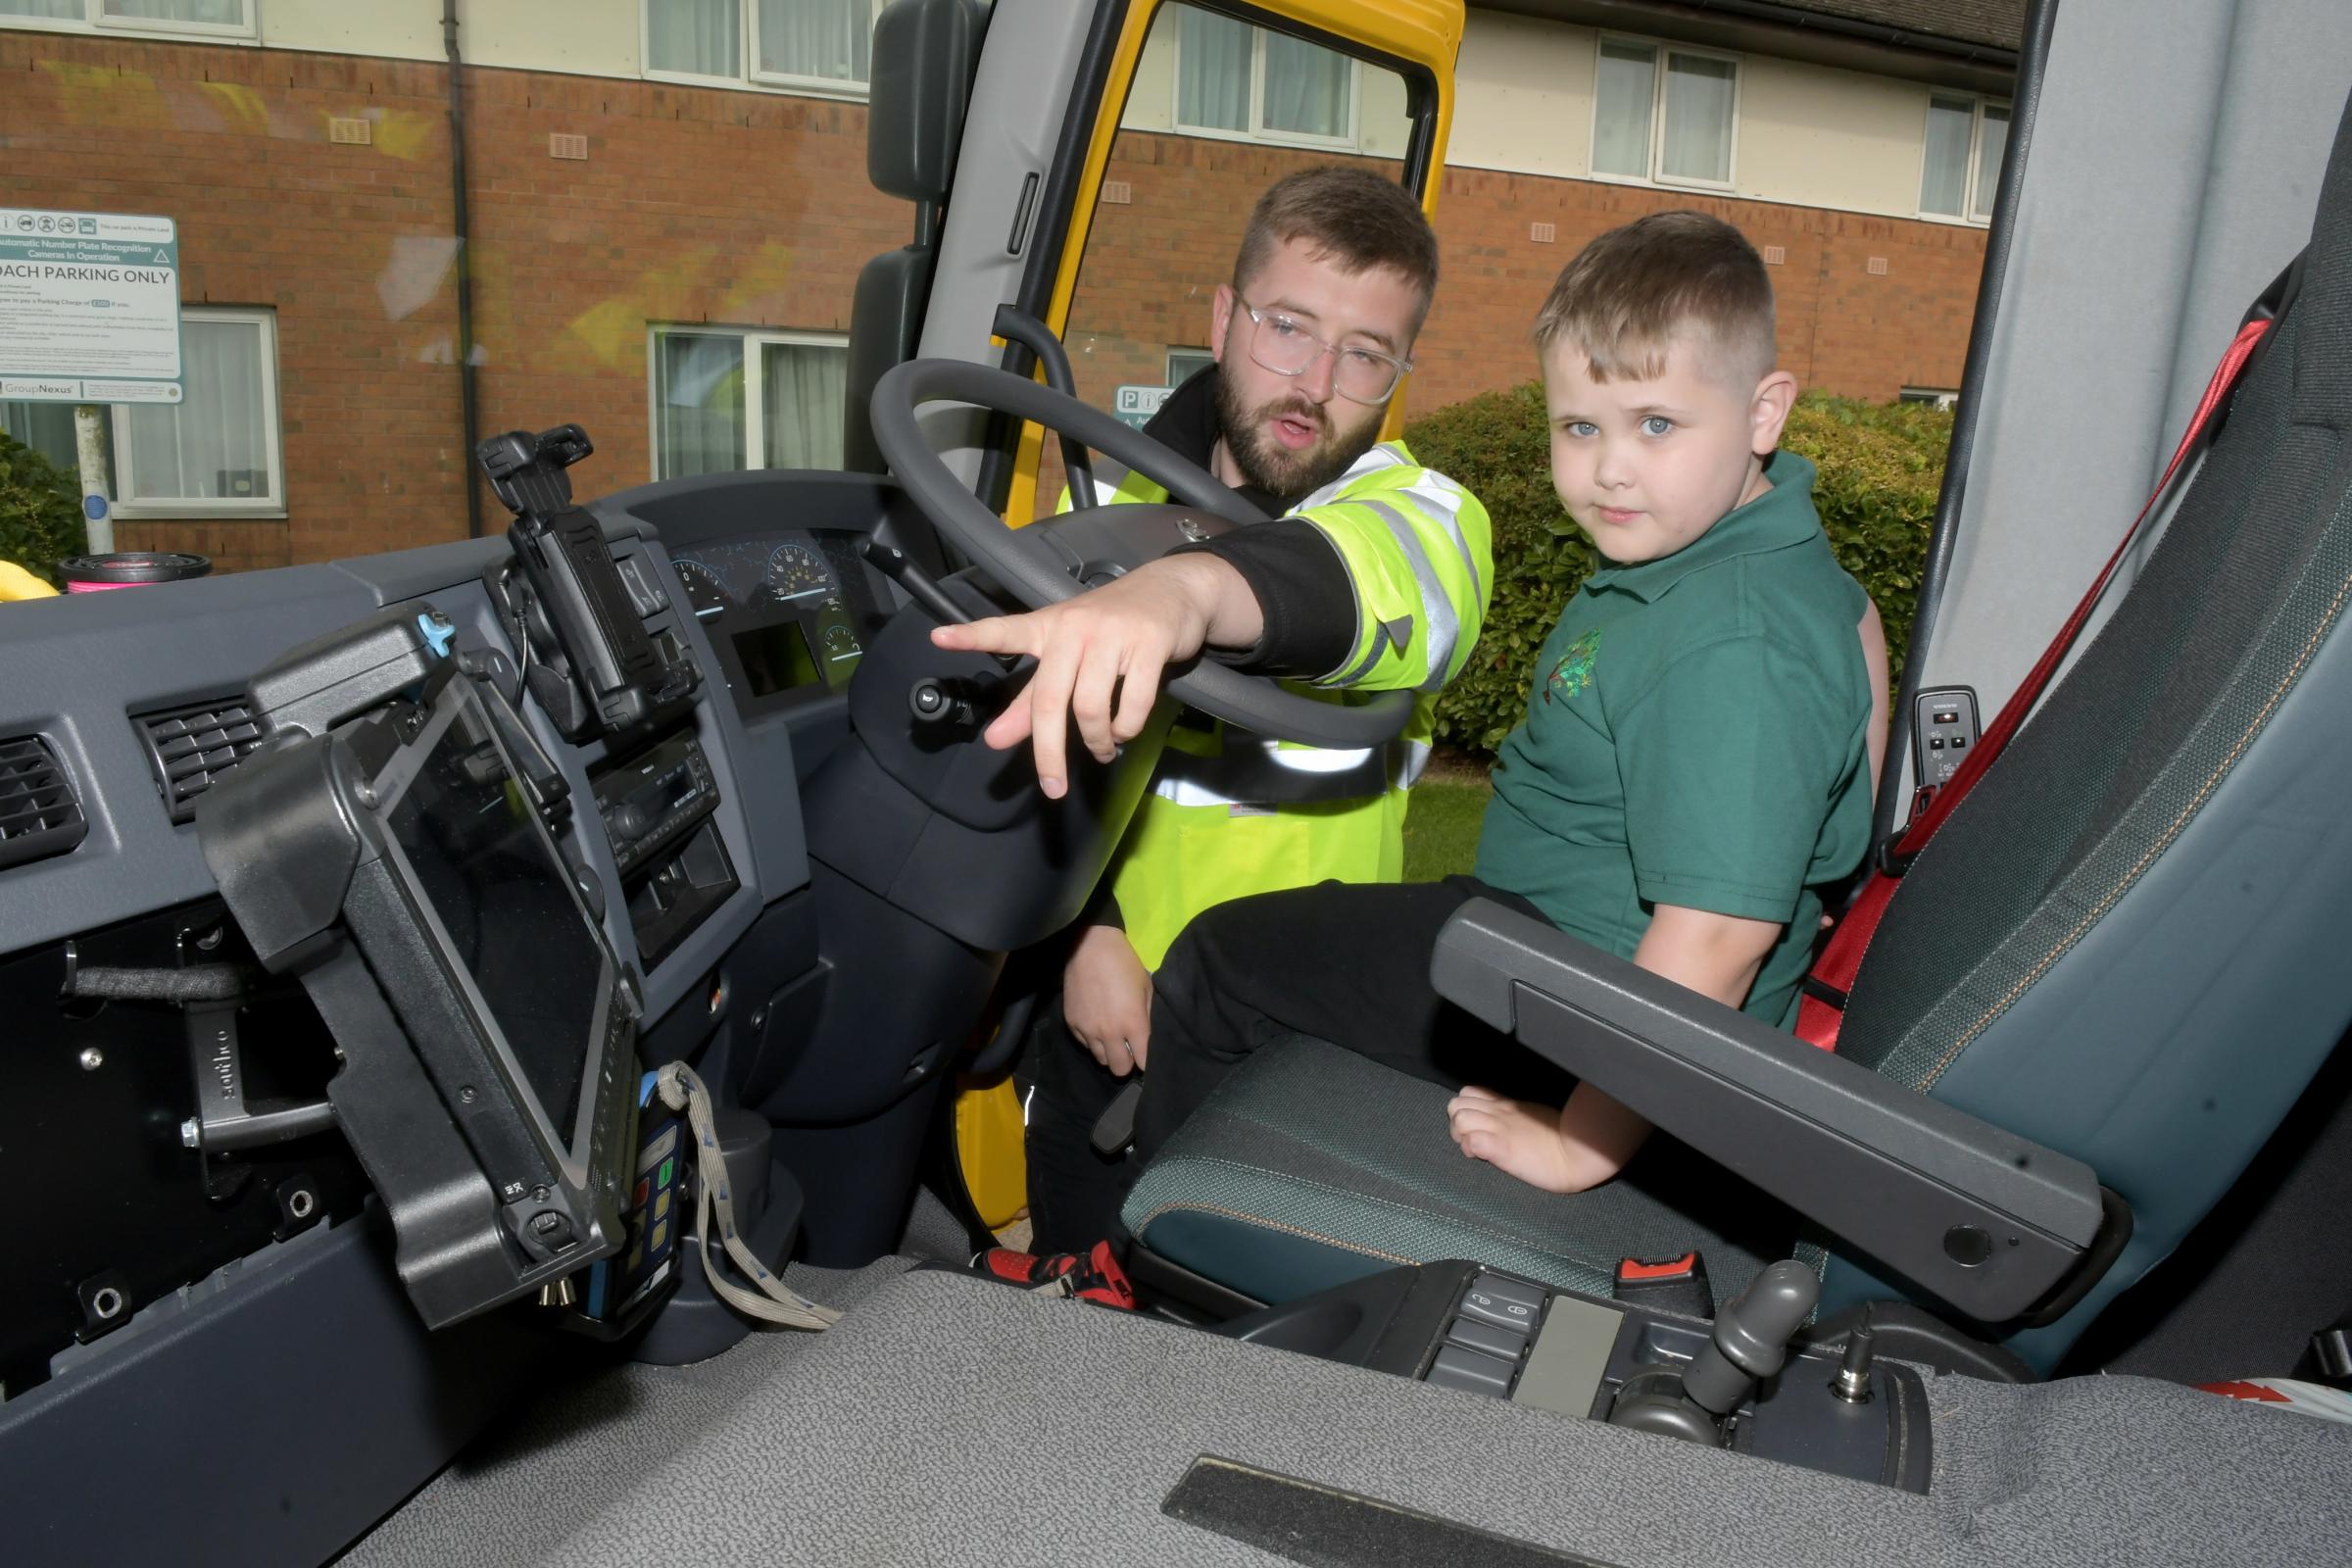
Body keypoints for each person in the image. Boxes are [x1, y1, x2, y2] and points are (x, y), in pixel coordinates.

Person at [1104, 209, 1883, 1204]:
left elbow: (1716, 945)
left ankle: (1143, 1248)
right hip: (1550, 947)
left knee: (1221, 957)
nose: (1610, 468)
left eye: (1657, 425)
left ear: (1766, 413)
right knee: (1301, 947)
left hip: (1572, 990)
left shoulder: (1737, 638)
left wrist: (1582, 1145)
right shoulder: (1720, 559)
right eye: (1580, 427)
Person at [931, 166, 1493, 1252]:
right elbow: (1031, 784)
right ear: (1225, 318)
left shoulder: (1423, 516)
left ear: (1397, 372)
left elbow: (1374, 580)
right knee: (1075, 1311)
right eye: (1289, 327)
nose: (1316, 382)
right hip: (1113, 1013)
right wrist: (1088, 938)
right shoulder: (1104, 526)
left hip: (1303, 1045)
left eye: (1366, 353)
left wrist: (1187, 596)